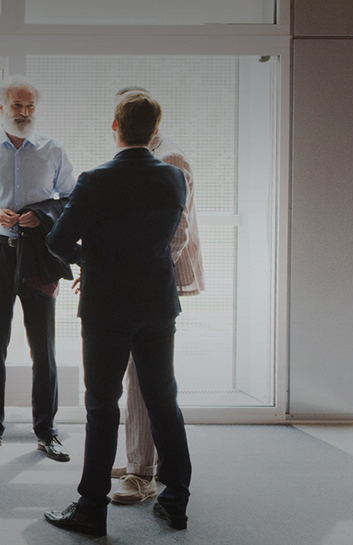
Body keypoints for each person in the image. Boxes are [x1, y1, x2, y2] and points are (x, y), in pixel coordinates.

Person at [42, 90, 194, 537]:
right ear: (154, 130)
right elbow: (161, 235)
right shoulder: (173, 178)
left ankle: (91, 507)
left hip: (108, 305)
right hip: (156, 302)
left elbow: (56, 241)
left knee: (102, 404)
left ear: (115, 127)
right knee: (163, 398)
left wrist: (88, 260)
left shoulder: (96, 180)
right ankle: (176, 500)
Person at [0, 75, 78, 461]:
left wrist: (42, 216)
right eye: (16, 106)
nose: (23, 113)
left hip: (40, 255)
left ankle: (47, 430)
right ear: (1, 109)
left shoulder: (52, 150)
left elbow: (72, 199)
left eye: (29, 107)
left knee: (44, 346)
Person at [105, 86, 205, 506]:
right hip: (141, 284)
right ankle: (138, 458)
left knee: (147, 383)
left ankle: (142, 471)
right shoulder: (144, 152)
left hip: (149, 286)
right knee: (141, 378)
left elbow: (174, 236)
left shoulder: (171, 158)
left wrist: (128, 272)